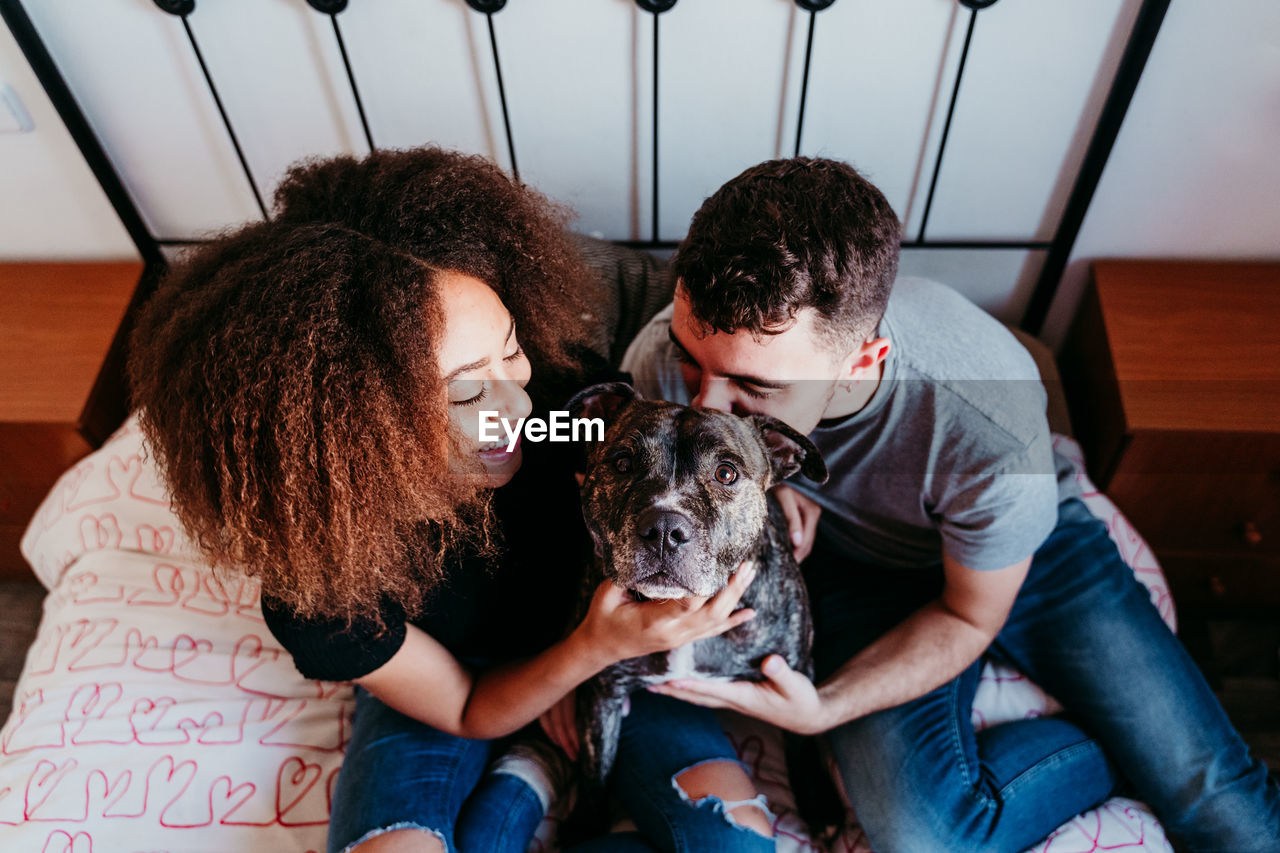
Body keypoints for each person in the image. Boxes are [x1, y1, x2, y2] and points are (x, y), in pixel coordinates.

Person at [624, 156, 1280, 852]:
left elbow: (969, 612)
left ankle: (1137, 741)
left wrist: (826, 711)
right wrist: (767, 484)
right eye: (694, 361)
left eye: (753, 387)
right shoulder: (669, 357)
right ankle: (1110, 744)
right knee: (925, 835)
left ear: (862, 362)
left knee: (1214, 795)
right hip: (854, 569)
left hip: (1028, 556)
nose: (704, 403)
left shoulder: (985, 412)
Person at [126, 147, 769, 853]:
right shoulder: (321, 588)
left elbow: (674, 459)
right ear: (345, 428)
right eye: (467, 391)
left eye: (512, 346)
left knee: (736, 843)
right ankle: (528, 779)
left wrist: (755, 491)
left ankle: (517, 796)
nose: (516, 403)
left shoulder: (564, 409)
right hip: (465, 684)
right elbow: (463, 705)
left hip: (617, 656)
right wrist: (584, 651)